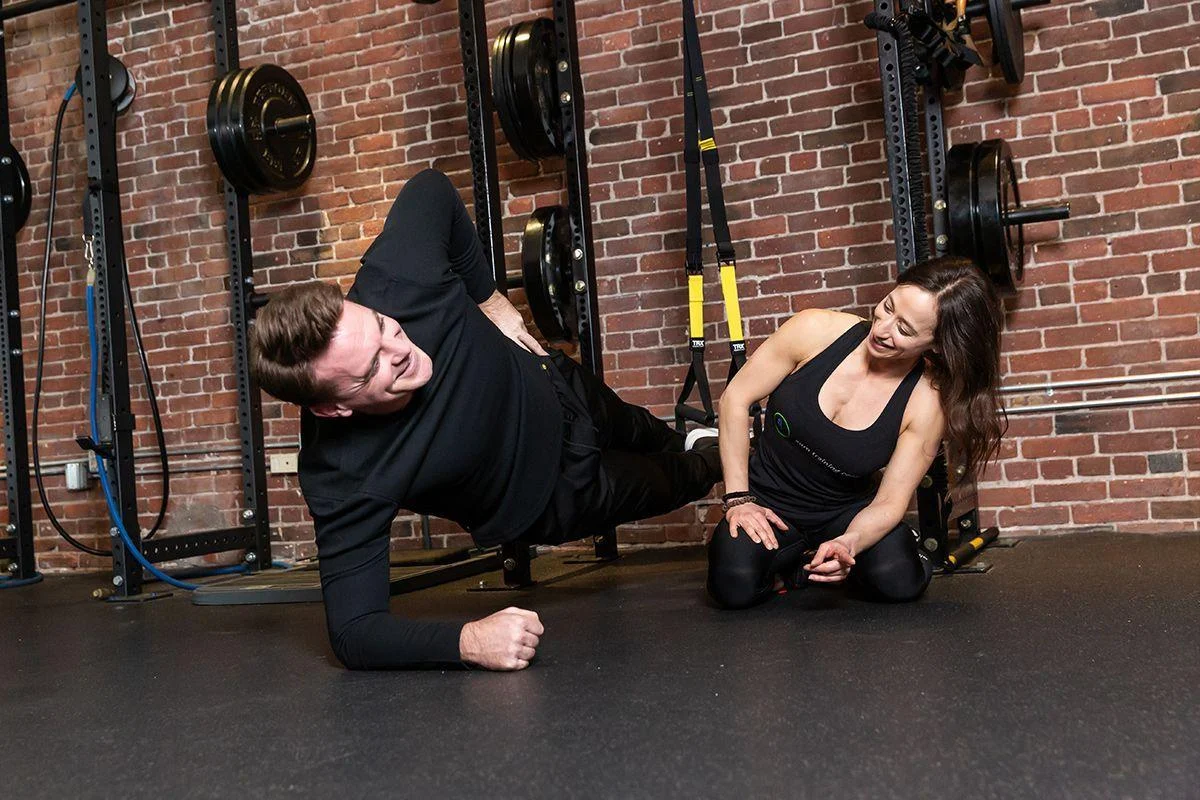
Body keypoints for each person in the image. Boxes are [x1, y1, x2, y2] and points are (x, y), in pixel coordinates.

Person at [249, 169, 721, 670]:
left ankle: (700, 442)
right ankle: (731, 465)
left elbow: (430, 188)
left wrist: (490, 298)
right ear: (332, 407)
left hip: (556, 386)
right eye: (373, 367)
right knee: (676, 478)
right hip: (556, 493)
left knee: (645, 429)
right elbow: (354, 632)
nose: (402, 350)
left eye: (384, 327)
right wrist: (467, 641)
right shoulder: (342, 474)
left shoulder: (395, 276)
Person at [706, 256, 1005, 608]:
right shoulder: (814, 330)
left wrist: (850, 542)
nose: (881, 329)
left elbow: (891, 501)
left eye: (905, 330)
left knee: (898, 580)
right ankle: (796, 567)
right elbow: (735, 399)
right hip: (769, 503)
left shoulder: (926, 401)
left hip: (844, 513)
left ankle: (838, 560)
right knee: (732, 585)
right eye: (888, 307)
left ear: (937, 345)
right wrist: (739, 500)